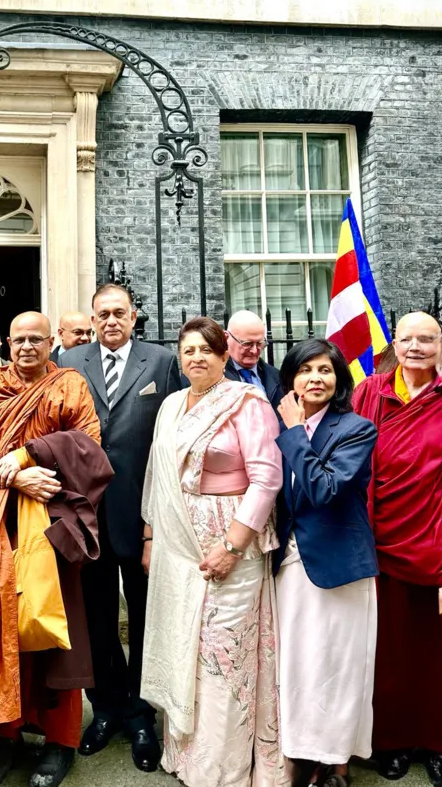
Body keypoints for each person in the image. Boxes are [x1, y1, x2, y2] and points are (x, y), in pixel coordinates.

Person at [0, 312, 110, 787]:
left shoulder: (70, 386)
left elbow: (88, 446)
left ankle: (60, 740)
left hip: (52, 527)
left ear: (51, 343)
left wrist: (30, 456)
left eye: (36, 340)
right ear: (7, 342)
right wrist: (16, 478)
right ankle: (9, 734)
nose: (26, 347)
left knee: (56, 634)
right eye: (18, 340)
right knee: (4, 630)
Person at [140, 316, 284, 787]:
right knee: (188, 644)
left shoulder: (247, 402)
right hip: (178, 541)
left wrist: (231, 547)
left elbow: (267, 479)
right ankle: (186, 756)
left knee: (224, 655)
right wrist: (150, 537)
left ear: (225, 356)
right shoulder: (171, 406)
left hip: (231, 541)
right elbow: (156, 475)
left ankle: (222, 769)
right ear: (179, 360)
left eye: (207, 349)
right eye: (188, 351)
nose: (196, 357)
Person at [59, 284, 181, 772]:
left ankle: (142, 712)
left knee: (148, 613)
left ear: (135, 317)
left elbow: (174, 430)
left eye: (119, 313)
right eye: (102, 314)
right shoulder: (69, 361)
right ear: (93, 318)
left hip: (141, 510)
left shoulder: (162, 362)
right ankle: (105, 707)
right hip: (85, 513)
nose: (111, 321)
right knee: (95, 616)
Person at [273, 339, 379, 787]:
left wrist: (295, 431)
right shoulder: (275, 425)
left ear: (338, 380)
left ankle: (336, 763)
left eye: (325, 370)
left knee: (338, 665)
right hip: (290, 565)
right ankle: (299, 752)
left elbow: (325, 489)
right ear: (291, 378)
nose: (315, 378)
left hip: (340, 566)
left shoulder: (357, 428)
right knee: (300, 663)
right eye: (305, 369)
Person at [352, 312, 442, 786]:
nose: (416, 347)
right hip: (379, 538)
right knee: (386, 649)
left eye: (427, 339)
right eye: (407, 339)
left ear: (439, 346)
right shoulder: (370, 391)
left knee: (434, 651)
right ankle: (391, 741)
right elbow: (354, 462)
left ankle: (437, 742)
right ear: (394, 344)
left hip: (433, 540)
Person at [223, 310, 283, 412]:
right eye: (247, 343)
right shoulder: (214, 378)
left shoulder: (277, 377)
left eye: (260, 343)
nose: (254, 351)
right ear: (226, 338)